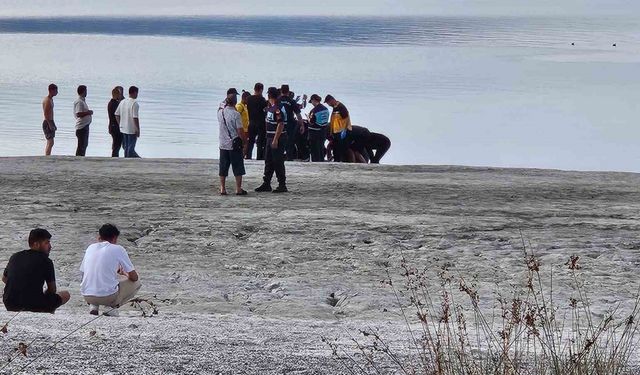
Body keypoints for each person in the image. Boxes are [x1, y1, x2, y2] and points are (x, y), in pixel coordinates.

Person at [2, 229, 70, 313]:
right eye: (47, 243)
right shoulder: (46, 261)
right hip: (34, 305)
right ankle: (49, 311)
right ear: (36, 244)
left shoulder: (15, 256)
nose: (50, 246)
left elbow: (4, 279)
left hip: (10, 303)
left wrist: (20, 285)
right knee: (65, 294)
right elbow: (52, 289)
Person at [80, 224, 140, 317]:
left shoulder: (90, 248)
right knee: (137, 282)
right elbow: (134, 277)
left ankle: (94, 306)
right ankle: (111, 307)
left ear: (99, 237)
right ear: (114, 238)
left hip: (87, 296)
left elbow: (83, 272)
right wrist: (124, 273)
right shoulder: (118, 249)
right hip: (107, 297)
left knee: (102, 278)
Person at [255, 87, 288, 193]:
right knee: (268, 161)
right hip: (269, 137)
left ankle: (282, 184)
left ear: (269, 95)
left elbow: (281, 124)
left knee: (278, 161)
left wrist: (275, 139)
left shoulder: (277, 108)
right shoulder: (270, 107)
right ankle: (266, 183)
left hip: (276, 138)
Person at [218, 91, 247, 195]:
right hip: (234, 145)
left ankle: (222, 188)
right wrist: (245, 142)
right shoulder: (236, 114)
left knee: (223, 167)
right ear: (235, 102)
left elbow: (220, 108)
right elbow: (240, 131)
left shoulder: (220, 113)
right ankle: (238, 188)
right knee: (238, 167)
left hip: (222, 143)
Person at [278, 85, 303, 161]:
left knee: (279, 140)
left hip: (279, 123)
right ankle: (289, 157)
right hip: (290, 124)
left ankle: (279, 157)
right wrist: (301, 125)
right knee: (290, 142)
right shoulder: (291, 101)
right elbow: (298, 114)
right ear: (288, 92)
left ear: (281, 91)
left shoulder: (277, 100)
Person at [325, 95, 352, 162]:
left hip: (341, 132)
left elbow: (346, 119)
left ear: (332, 100)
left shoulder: (341, 107)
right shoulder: (335, 107)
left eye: (328, 103)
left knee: (340, 149)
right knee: (335, 149)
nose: (328, 105)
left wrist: (344, 130)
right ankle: (336, 160)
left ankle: (340, 161)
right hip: (336, 132)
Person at [115, 86, 141, 158]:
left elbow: (117, 114)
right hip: (131, 129)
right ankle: (132, 160)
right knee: (130, 147)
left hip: (123, 128)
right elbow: (135, 117)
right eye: (137, 93)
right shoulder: (134, 103)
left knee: (126, 147)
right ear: (134, 93)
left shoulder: (123, 102)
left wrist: (120, 123)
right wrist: (137, 128)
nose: (137, 95)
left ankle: (126, 159)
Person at [246, 83, 268, 160]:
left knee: (250, 141)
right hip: (260, 123)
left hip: (251, 122)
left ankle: (248, 156)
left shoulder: (248, 99)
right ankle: (259, 157)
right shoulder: (262, 99)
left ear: (254, 89)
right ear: (261, 90)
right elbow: (266, 110)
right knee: (260, 142)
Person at [307, 94, 330, 162]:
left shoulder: (314, 111)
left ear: (313, 100)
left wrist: (308, 117)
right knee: (321, 147)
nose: (312, 104)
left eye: (312, 102)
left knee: (314, 149)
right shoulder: (326, 109)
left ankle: (316, 162)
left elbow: (311, 122)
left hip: (314, 132)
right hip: (323, 131)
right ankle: (321, 160)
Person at [74, 85, 93, 156]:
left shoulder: (82, 101)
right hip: (82, 127)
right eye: (86, 91)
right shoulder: (79, 102)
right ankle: (79, 158)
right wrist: (88, 112)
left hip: (85, 125)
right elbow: (78, 114)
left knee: (84, 145)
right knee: (81, 145)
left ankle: (81, 157)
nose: (86, 92)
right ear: (83, 91)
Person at [108, 86, 125, 157]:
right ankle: (114, 157)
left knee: (116, 144)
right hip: (115, 127)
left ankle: (115, 156)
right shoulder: (114, 104)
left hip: (113, 126)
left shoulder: (112, 103)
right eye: (120, 94)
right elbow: (118, 115)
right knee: (117, 145)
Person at [42, 84, 58, 156]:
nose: (57, 92)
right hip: (47, 122)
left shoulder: (51, 99)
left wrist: (53, 124)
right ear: (51, 90)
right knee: (50, 141)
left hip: (51, 121)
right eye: (55, 90)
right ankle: (47, 155)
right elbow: (46, 113)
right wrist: (50, 124)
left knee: (51, 142)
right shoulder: (47, 100)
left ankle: (48, 155)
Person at [236, 91, 250, 157]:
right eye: (248, 99)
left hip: (246, 129)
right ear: (245, 98)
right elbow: (235, 116)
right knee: (243, 144)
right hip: (241, 129)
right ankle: (240, 156)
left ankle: (242, 156)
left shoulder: (245, 106)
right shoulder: (239, 106)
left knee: (246, 145)